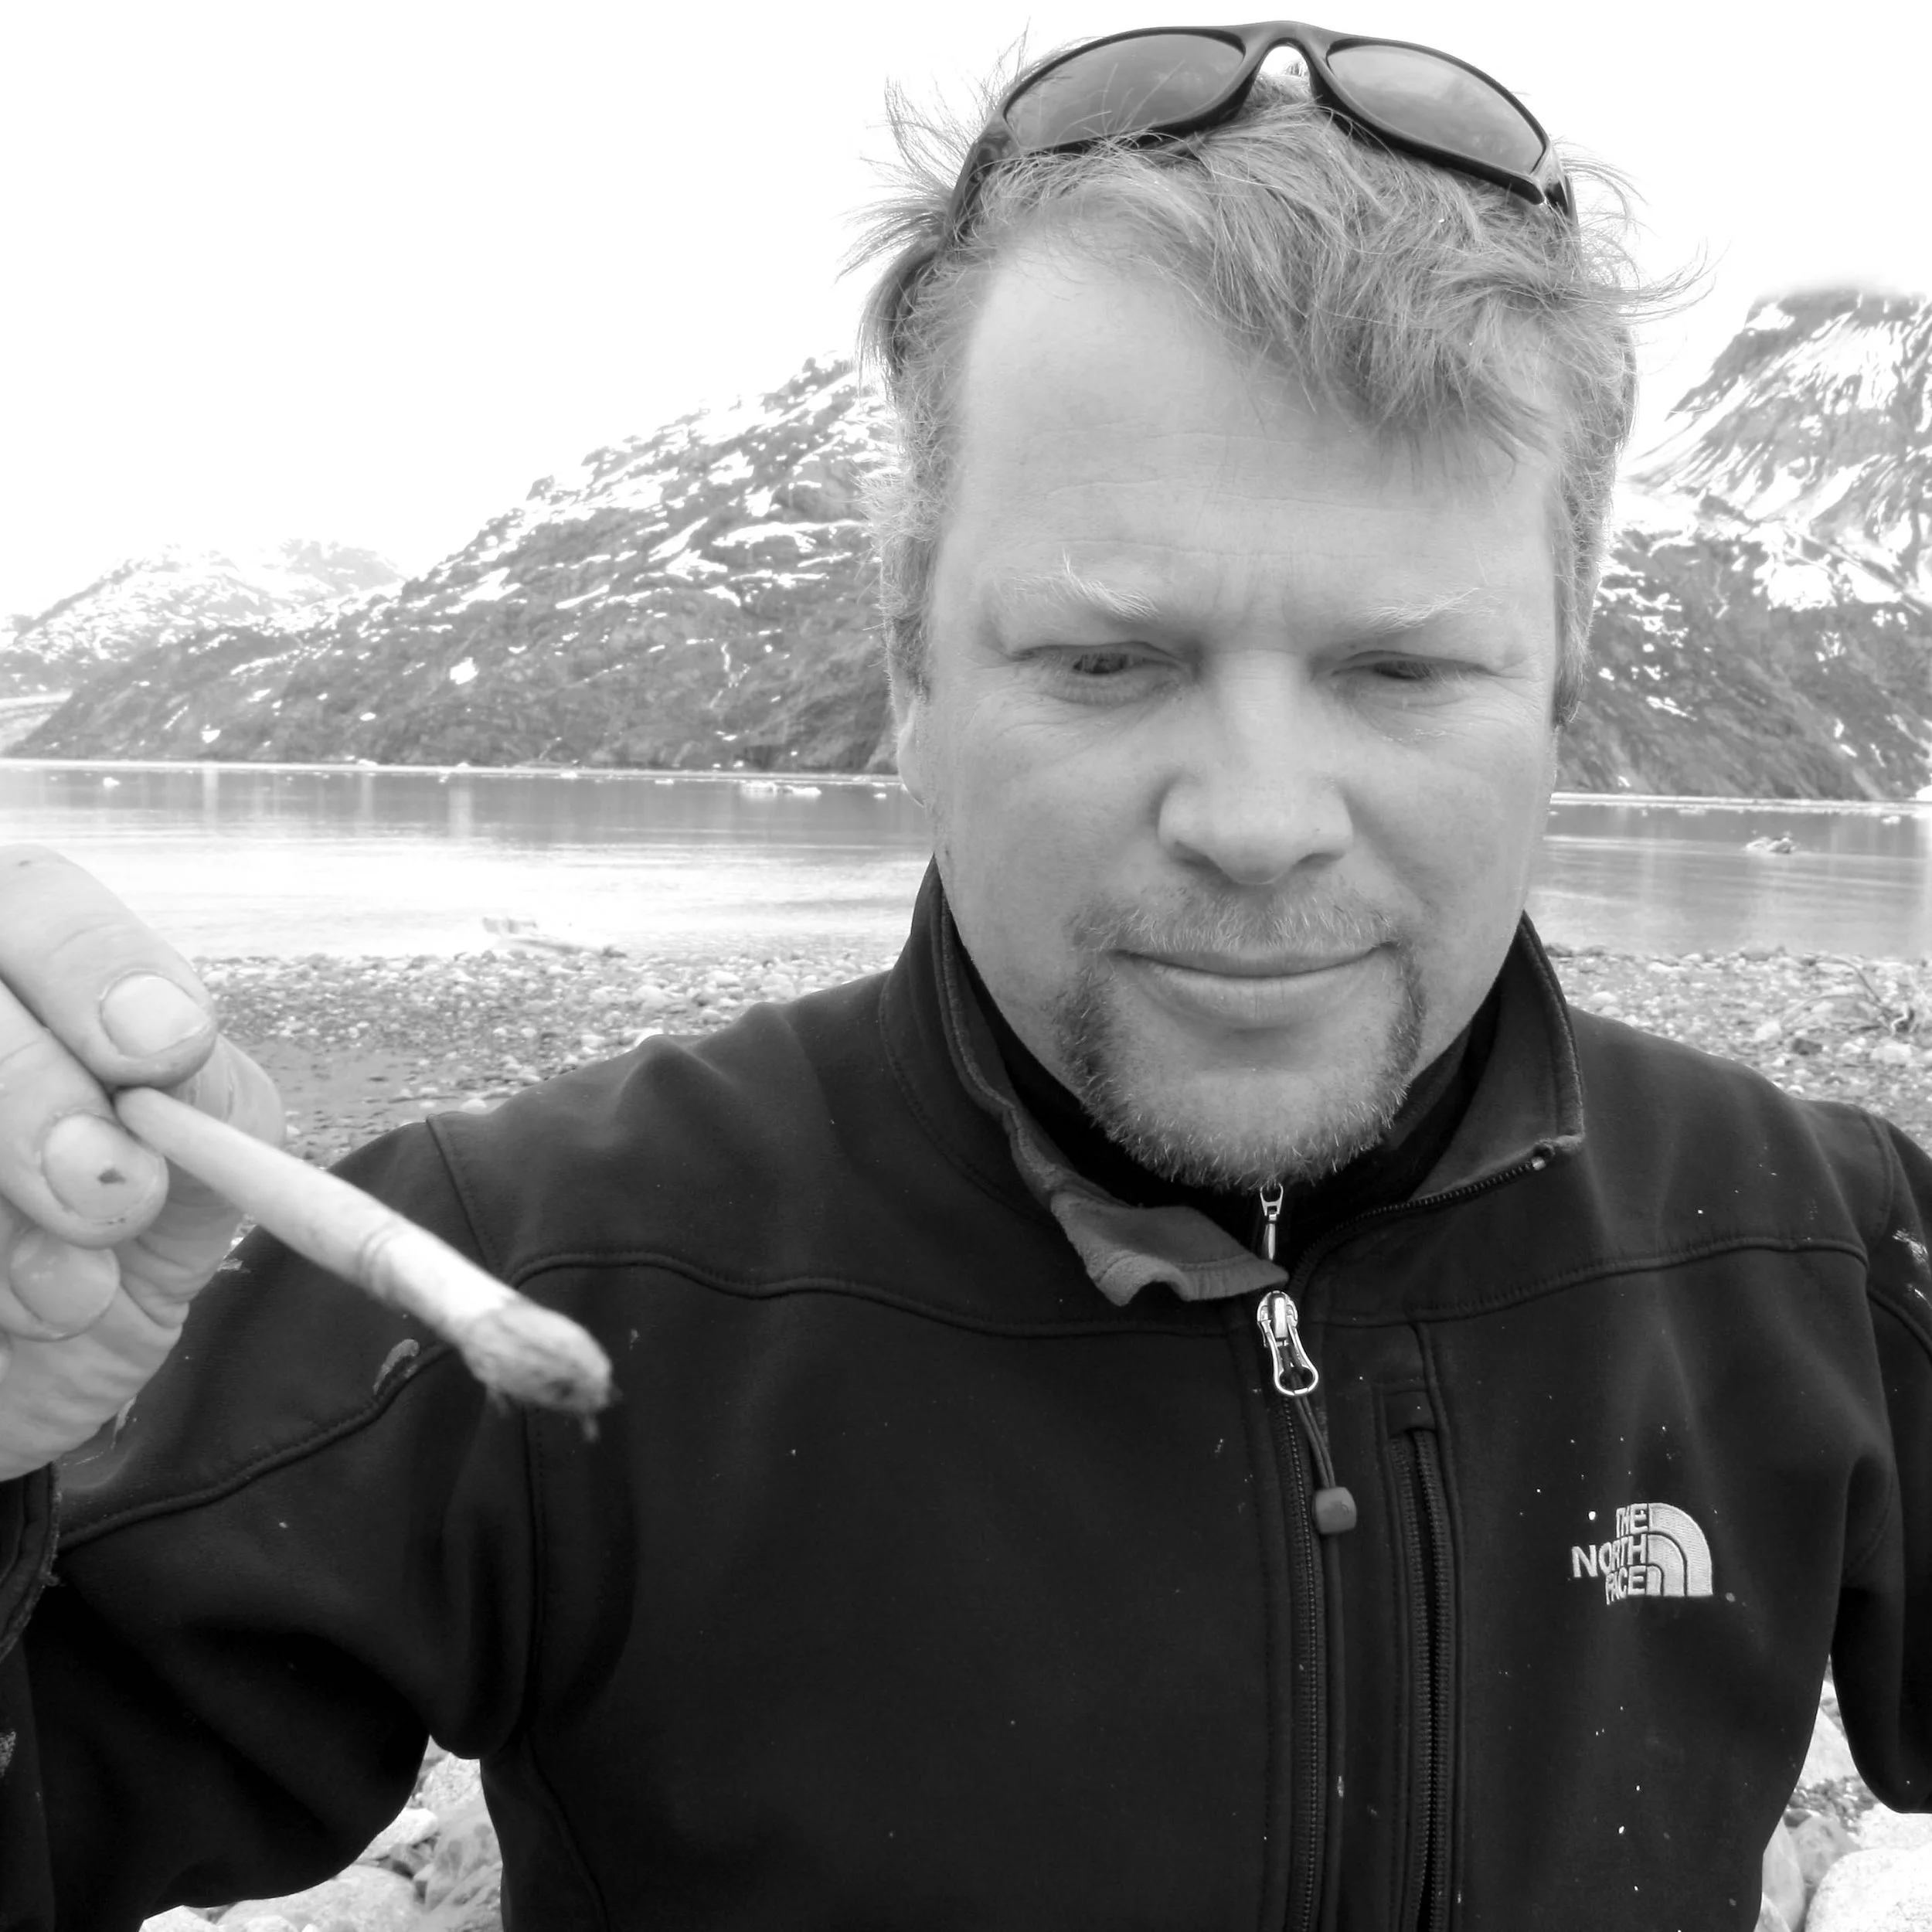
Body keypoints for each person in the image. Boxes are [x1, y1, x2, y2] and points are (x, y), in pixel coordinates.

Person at [1, 22, 1927, 1930]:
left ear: (1562, 695)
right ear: (911, 680)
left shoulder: (1813, 1247)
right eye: (1103, 658)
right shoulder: (530, 1259)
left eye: (1402, 670)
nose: (1257, 819)